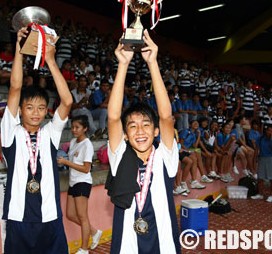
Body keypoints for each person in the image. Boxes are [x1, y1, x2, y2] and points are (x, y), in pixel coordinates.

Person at [105, 30, 181, 253]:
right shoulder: (119, 156)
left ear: (157, 131)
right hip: (127, 245)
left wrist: (153, 63)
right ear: (125, 135)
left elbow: (166, 116)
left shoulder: (165, 156)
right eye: (133, 126)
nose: (140, 131)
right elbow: (113, 117)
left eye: (146, 124)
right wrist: (123, 64)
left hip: (164, 242)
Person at [1, 27, 72, 253]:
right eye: (29, 107)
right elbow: (15, 88)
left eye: (41, 108)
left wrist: (50, 60)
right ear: (20, 110)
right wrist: (20, 51)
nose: (35, 112)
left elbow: (67, 101)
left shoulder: (50, 133)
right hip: (18, 216)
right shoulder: (11, 132)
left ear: (45, 112)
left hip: (50, 215)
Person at [57, 115, 102, 254]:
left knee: (83, 217)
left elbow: (86, 168)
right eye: (73, 127)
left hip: (83, 183)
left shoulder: (87, 144)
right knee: (70, 214)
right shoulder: (72, 141)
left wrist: (66, 163)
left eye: (78, 127)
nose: (74, 130)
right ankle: (94, 232)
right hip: (73, 182)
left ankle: (84, 249)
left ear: (85, 128)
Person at [251, 125, 272, 203]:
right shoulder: (260, 138)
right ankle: (260, 194)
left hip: (271, 158)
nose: (269, 132)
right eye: (268, 130)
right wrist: (254, 160)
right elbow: (256, 149)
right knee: (260, 178)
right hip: (262, 158)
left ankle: (271, 195)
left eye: (271, 131)